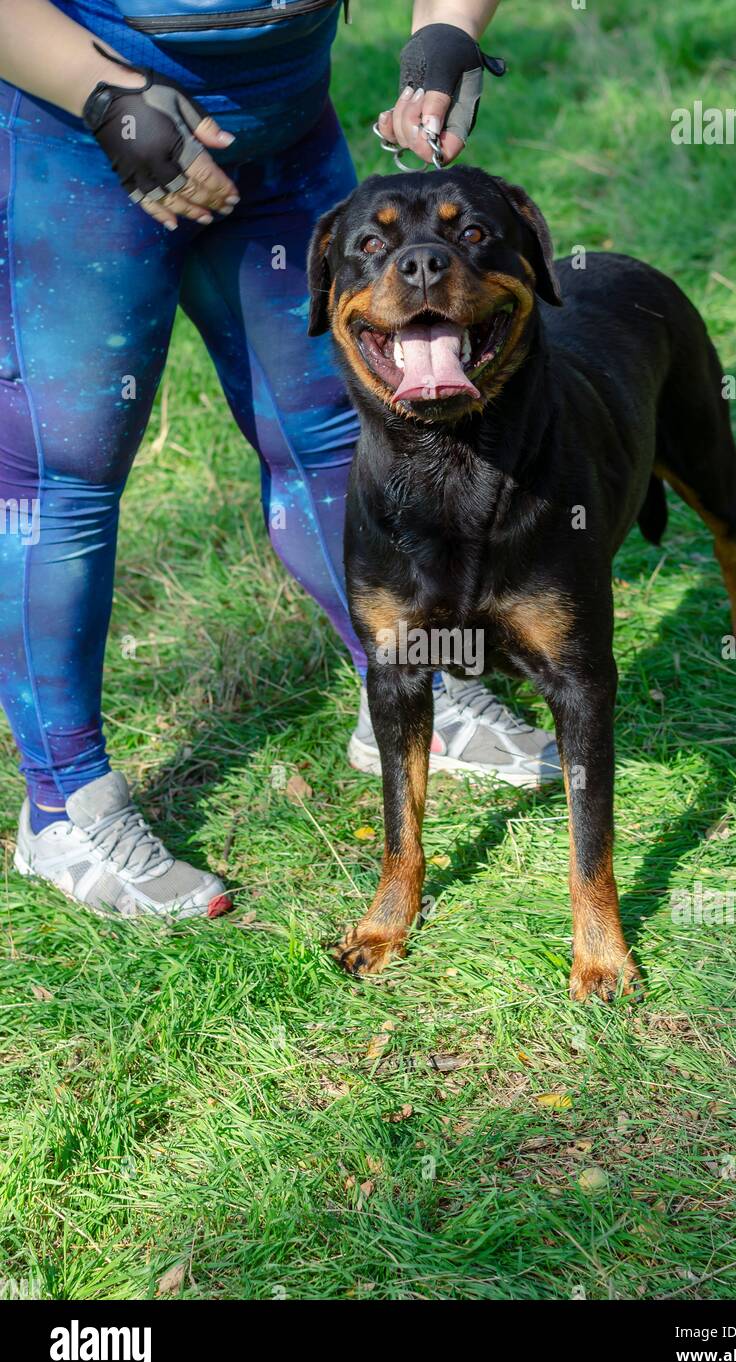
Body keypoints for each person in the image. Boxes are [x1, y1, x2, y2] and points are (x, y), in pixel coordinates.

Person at [0, 0, 560, 922]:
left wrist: (447, 31)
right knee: (65, 480)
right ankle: (64, 809)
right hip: (81, 136)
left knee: (335, 431)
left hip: (283, 129)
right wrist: (101, 94)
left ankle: (409, 692)